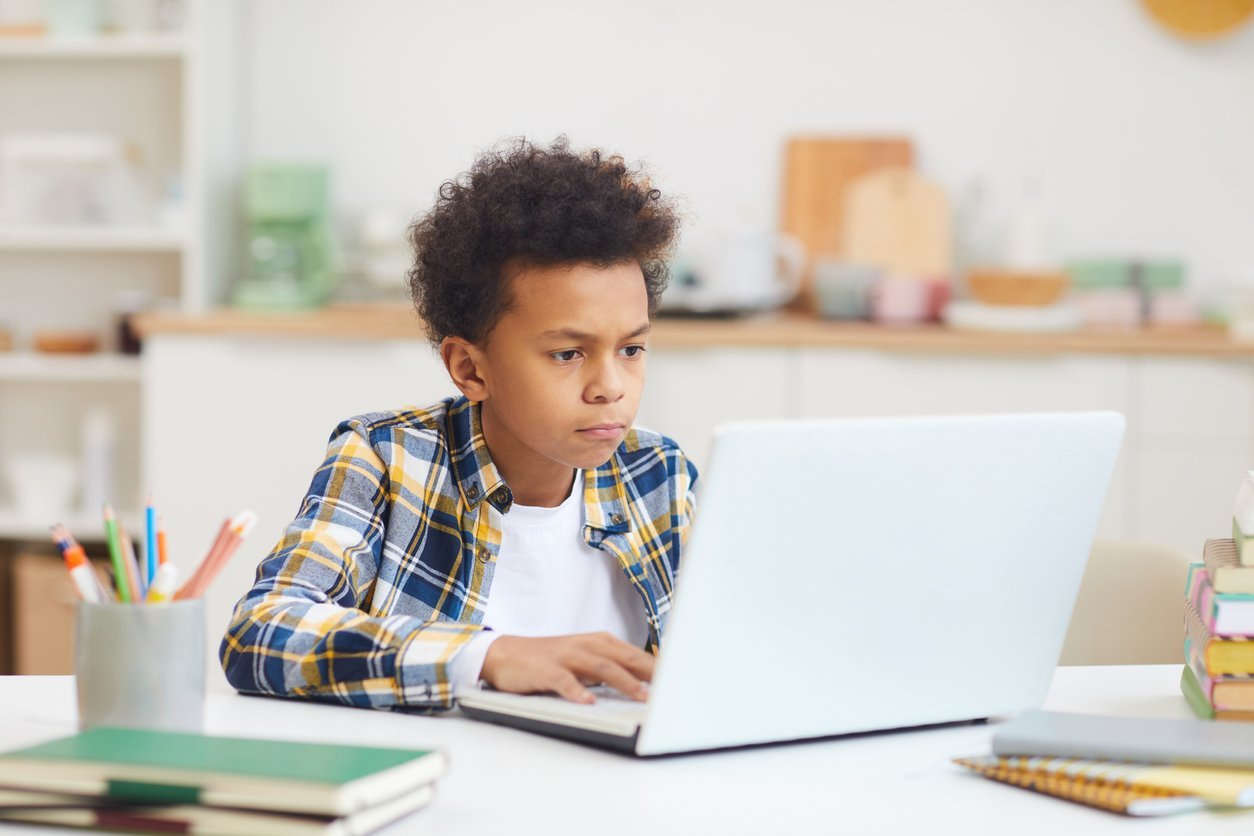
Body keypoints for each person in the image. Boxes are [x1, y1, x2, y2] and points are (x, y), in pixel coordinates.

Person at [219, 137, 697, 712]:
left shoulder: (660, 475)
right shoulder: (386, 460)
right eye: (568, 354)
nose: (611, 386)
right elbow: (259, 632)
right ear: (470, 368)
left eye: (632, 349)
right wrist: (486, 657)